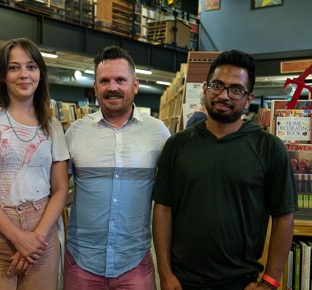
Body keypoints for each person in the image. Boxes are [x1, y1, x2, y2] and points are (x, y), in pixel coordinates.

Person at [152, 50, 297, 290]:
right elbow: (163, 209)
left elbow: (284, 216)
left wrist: (270, 282)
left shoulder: (269, 148)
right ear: (205, 88)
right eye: (217, 85)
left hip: (242, 281)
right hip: (183, 281)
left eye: (236, 89)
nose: (224, 95)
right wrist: (165, 274)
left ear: (249, 98)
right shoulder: (177, 145)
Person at [0, 38, 69, 290]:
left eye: (31, 67)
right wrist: (18, 238)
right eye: (14, 67)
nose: (24, 75)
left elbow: (61, 188)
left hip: (42, 231)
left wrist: (36, 238)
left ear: (40, 74)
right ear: (1, 75)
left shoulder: (52, 126)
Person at [64, 45, 170, 290]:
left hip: (134, 264)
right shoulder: (75, 133)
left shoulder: (158, 132)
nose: (112, 87)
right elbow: (56, 191)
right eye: (104, 81)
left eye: (120, 80)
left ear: (135, 85)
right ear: (96, 88)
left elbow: (170, 196)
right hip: (81, 263)